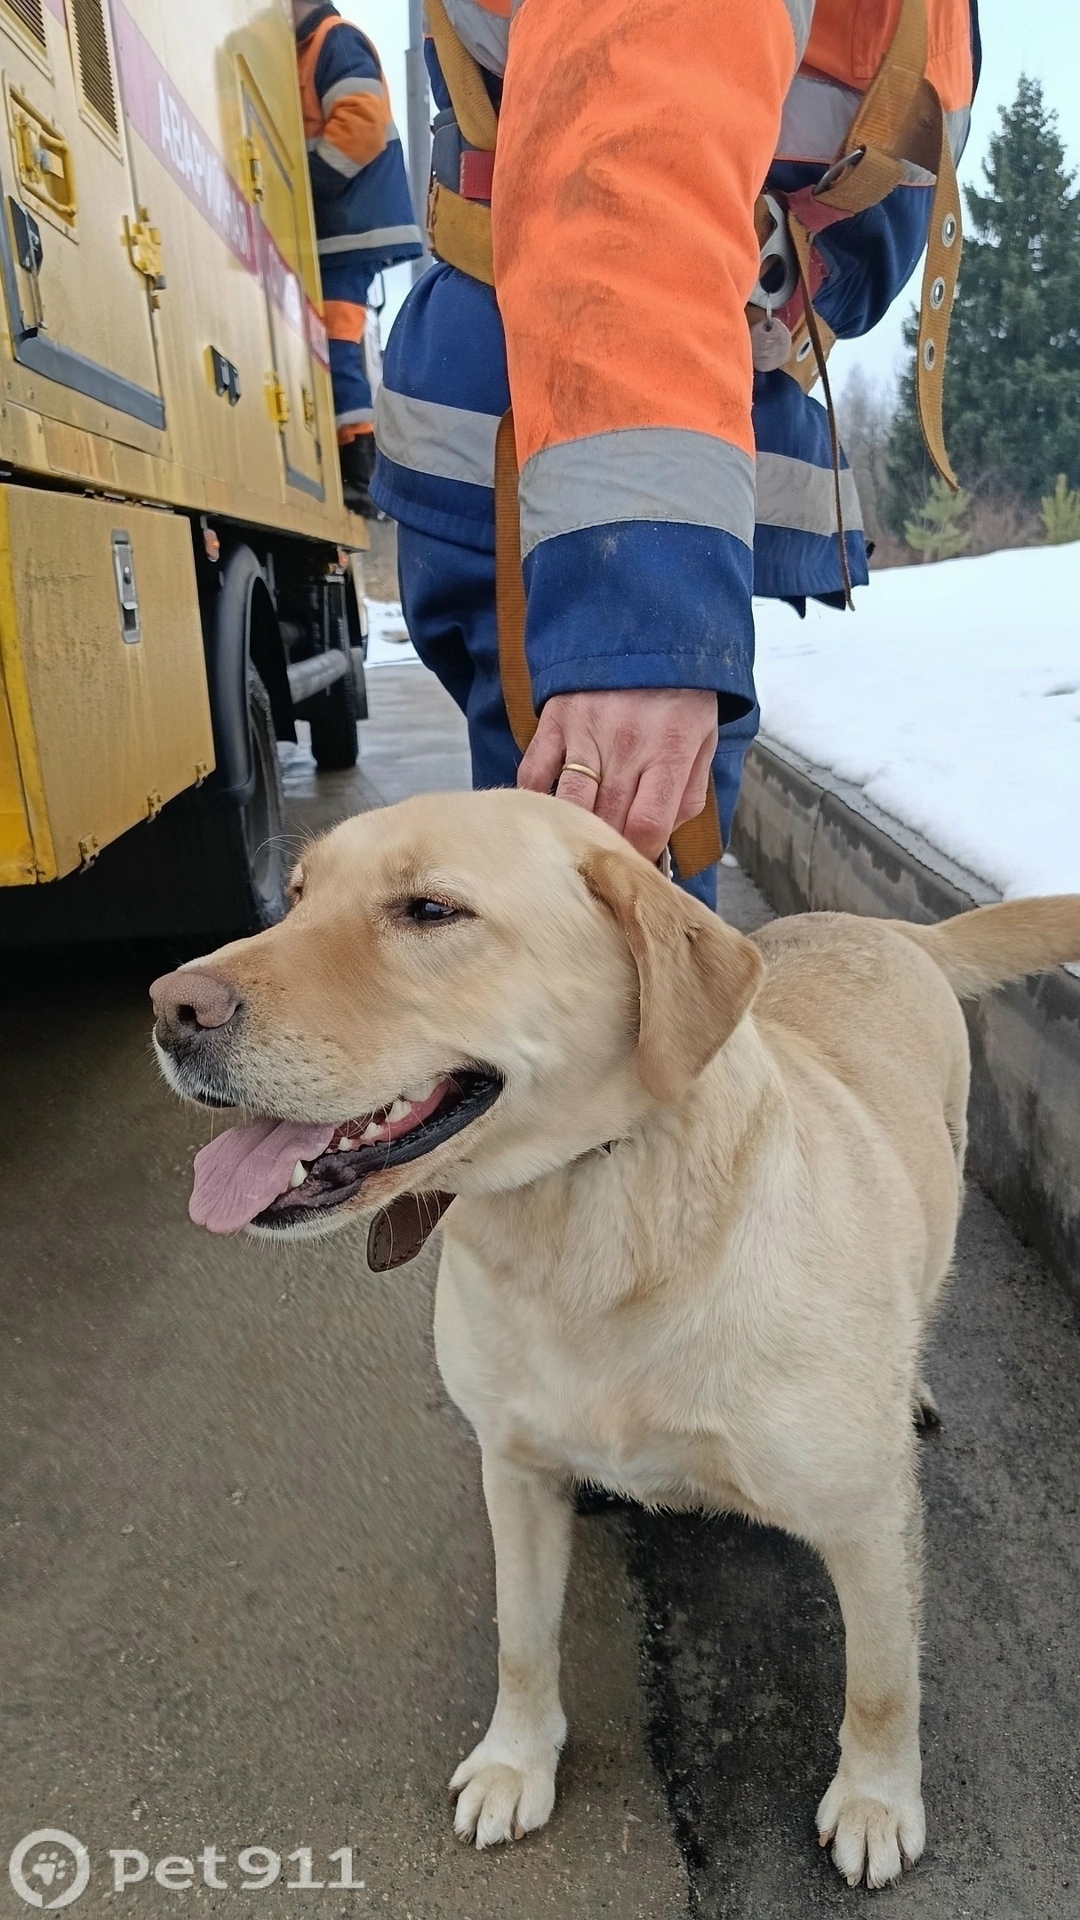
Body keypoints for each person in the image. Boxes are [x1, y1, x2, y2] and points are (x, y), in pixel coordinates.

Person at [373, 0, 979, 903]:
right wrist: (638, 628)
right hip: (581, 451)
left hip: (639, 426)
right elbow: (634, 146)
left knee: (589, 947)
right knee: (593, 955)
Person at [293, 1, 422, 513]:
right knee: (336, 343)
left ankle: (360, 470)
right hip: (343, 231)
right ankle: (356, 463)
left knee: (338, 342)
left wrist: (310, 183)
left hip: (347, 228)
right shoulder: (314, 46)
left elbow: (362, 121)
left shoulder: (334, 39)